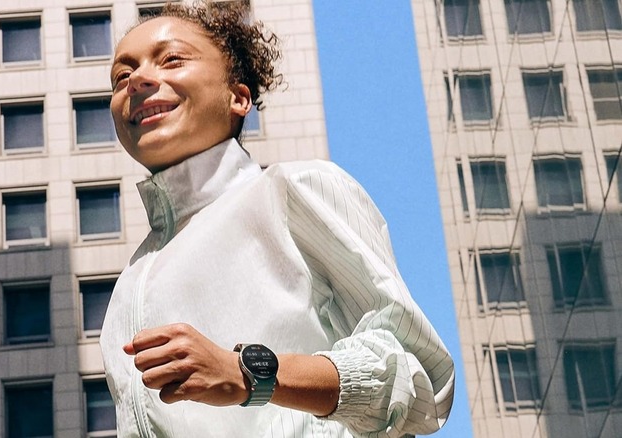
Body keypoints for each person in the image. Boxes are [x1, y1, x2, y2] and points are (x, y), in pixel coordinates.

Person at [99, 2, 455, 437]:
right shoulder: (127, 286)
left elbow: (418, 376)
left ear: (239, 97)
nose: (137, 80)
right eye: (121, 77)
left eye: (172, 59)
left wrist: (249, 373)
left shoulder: (296, 189)